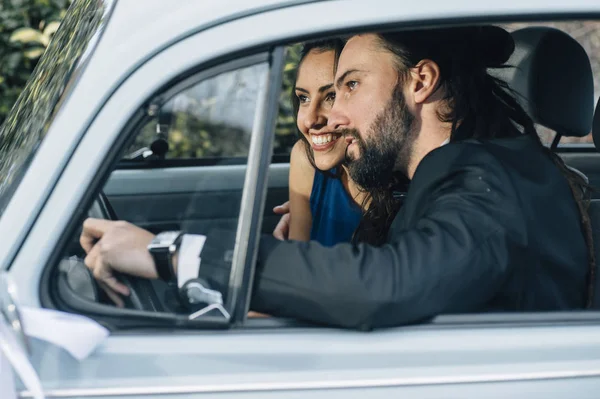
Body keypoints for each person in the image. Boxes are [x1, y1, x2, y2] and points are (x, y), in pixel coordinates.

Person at [80, 26, 593, 329]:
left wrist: (174, 253)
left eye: (350, 86)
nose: (333, 114)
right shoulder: (476, 170)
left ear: (421, 81)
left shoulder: (486, 176)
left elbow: (388, 284)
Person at [283, 39, 366, 246]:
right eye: (303, 98)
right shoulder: (305, 159)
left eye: (331, 96)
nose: (310, 120)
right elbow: (299, 264)